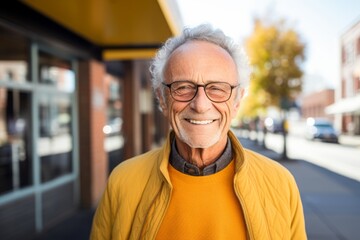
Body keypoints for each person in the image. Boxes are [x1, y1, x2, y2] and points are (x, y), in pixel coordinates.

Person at [90, 24, 307, 240]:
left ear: (237, 100)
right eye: (183, 87)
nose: (200, 104)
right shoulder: (122, 182)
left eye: (217, 88)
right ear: (162, 99)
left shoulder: (280, 183)